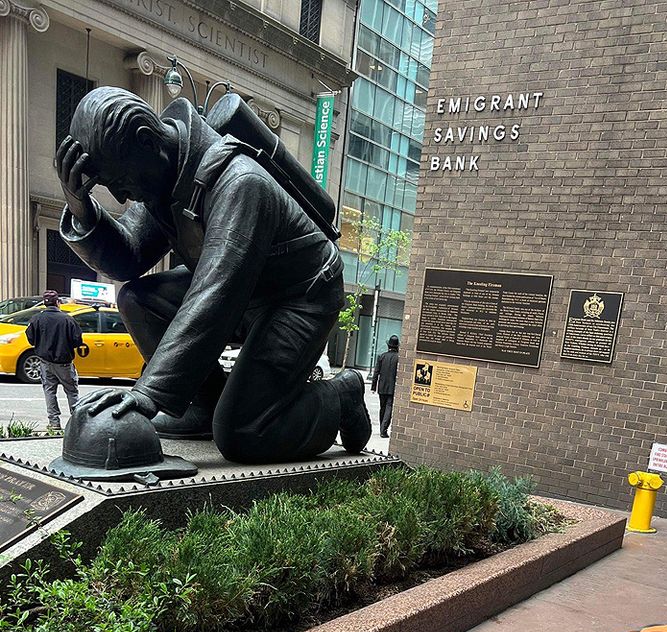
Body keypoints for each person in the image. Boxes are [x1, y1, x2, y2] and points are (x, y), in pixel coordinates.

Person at [54, 87, 370, 463]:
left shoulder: (239, 181)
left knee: (244, 433)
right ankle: (200, 406)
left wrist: (149, 392)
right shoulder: (163, 174)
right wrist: (83, 211)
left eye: (121, 183)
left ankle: (341, 395)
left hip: (298, 296)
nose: (122, 198)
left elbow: (216, 292)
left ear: (146, 142)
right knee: (138, 298)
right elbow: (129, 258)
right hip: (246, 288)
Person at [25, 290, 82, 431]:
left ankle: (54, 423)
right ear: (58, 302)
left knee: (50, 392)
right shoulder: (68, 319)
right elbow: (77, 341)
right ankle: (77, 423)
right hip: (64, 363)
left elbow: (31, 339)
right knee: (72, 392)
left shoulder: (36, 319)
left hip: (45, 362)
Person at [371, 335, 399, 438]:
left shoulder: (381, 356)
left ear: (388, 346)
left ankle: (381, 428)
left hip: (381, 387)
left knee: (382, 408)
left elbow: (376, 372)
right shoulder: (398, 358)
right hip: (392, 388)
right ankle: (384, 429)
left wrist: (373, 387)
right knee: (389, 408)